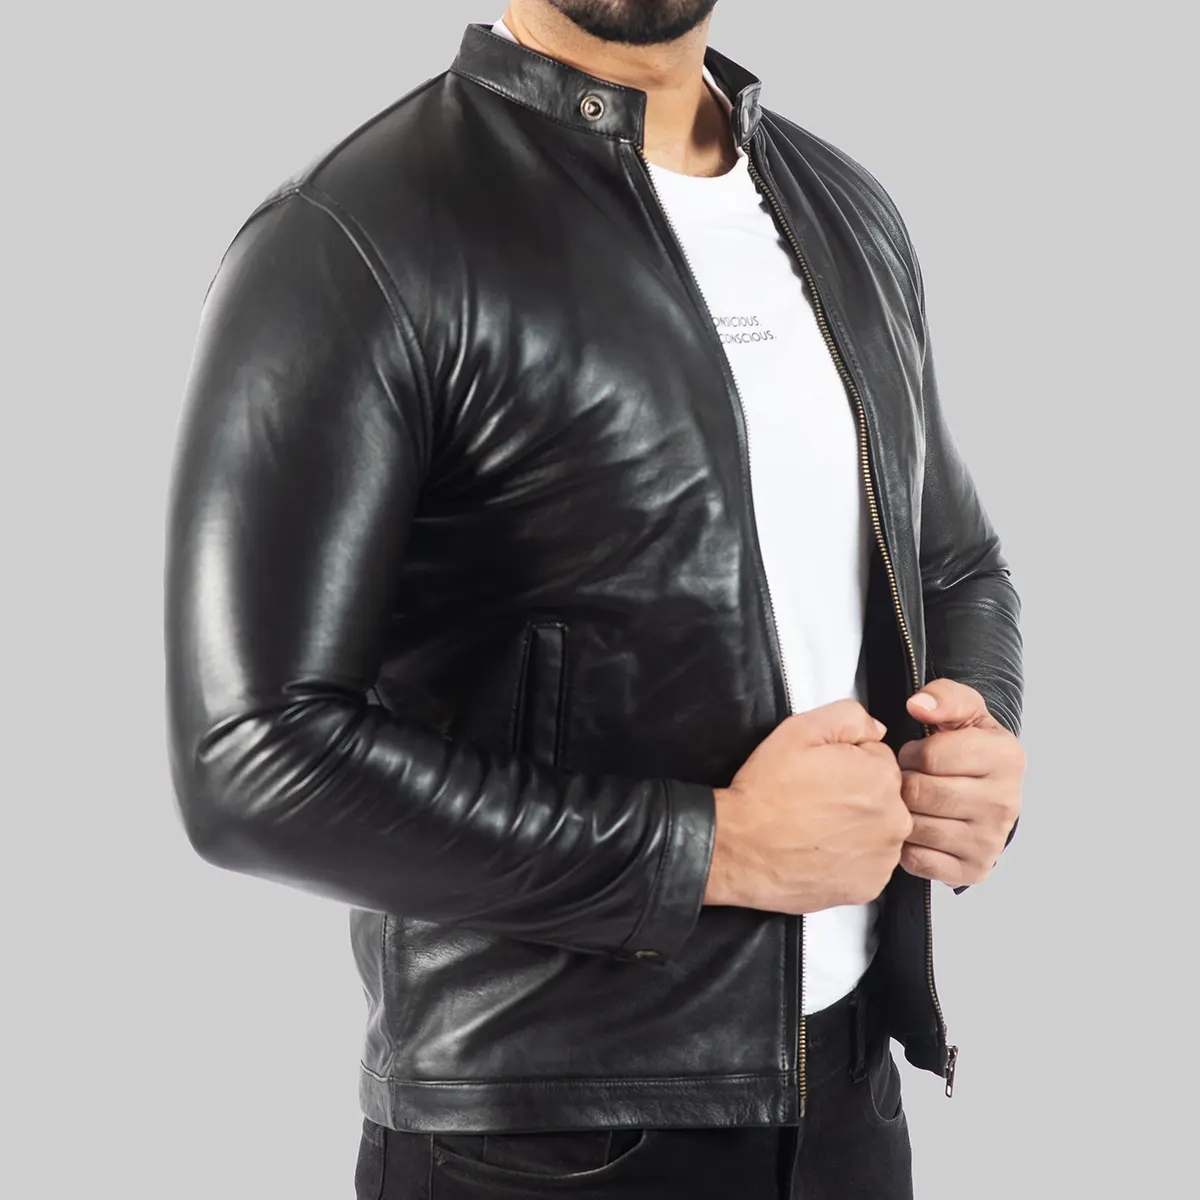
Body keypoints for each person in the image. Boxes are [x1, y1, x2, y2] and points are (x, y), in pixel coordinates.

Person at [164, 2, 1026, 1196]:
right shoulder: (354, 239)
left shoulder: (844, 211)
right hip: (534, 1144)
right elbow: (251, 760)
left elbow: (953, 563)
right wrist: (707, 849)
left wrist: (972, 734)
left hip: (849, 1109)